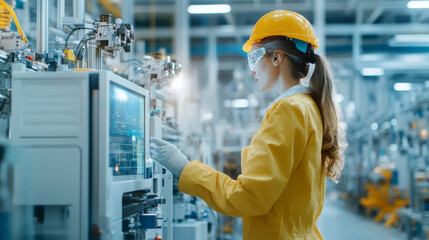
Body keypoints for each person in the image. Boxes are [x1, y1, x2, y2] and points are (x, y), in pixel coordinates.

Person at [150, 10, 347, 240]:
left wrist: (185, 169)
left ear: (276, 58)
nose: (251, 69)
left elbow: (249, 199)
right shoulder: (308, 107)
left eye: (254, 58)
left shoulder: (288, 110)